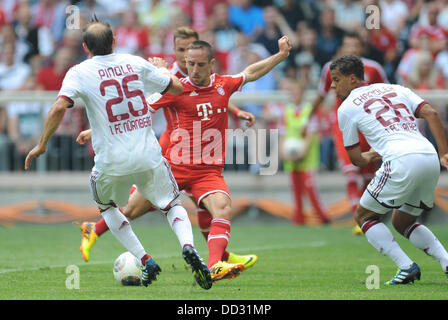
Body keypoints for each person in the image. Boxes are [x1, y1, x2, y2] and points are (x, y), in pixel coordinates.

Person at [79, 36, 292, 282]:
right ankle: (93, 228)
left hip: (208, 173)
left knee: (222, 208)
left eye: (200, 65)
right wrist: (96, 130)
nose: (194, 69)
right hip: (173, 169)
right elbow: (135, 113)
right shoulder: (177, 90)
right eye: (190, 64)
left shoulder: (223, 84)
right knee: (130, 210)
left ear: (211, 64)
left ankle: (214, 266)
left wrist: (280, 55)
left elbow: (251, 72)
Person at [24, 18, 213, 290]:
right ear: (114, 41)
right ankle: (187, 246)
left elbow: (57, 108)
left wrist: (41, 144)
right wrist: (162, 70)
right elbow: (178, 88)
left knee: (107, 207)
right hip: (148, 156)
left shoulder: (79, 72)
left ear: (86, 46)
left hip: (111, 162)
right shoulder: (135, 62)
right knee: (172, 205)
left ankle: (145, 258)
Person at [332, 54, 448, 285]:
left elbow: (356, 159)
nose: (333, 86)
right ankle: (446, 261)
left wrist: (370, 155)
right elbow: (432, 114)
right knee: (403, 222)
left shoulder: (346, 108)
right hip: (428, 156)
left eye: (336, 79)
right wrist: (444, 153)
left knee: (363, 216)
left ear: (352, 79)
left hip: (401, 159)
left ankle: (406, 266)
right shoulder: (396, 88)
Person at [312, 32, 388, 235]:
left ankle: (369, 216)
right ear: (343, 47)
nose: (352, 49)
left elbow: (386, 92)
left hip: (369, 127)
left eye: (355, 46)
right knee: (351, 173)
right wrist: (307, 116)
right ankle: (359, 219)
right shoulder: (330, 68)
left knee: (368, 176)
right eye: (348, 45)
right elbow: (322, 93)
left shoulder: (373, 68)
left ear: (361, 48)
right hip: (344, 127)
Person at [280, 80, 330, 225]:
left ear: (303, 94)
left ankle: (323, 217)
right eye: (293, 92)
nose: (295, 95)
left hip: (306, 157)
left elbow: (311, 134)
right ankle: (299, 218)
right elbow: (283, 134)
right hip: (291, 156)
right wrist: (283, 152)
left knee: (310, 188)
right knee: (295, 190)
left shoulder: (309, 110)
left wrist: (302, 152)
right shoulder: (287, 111)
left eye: (298, 92)